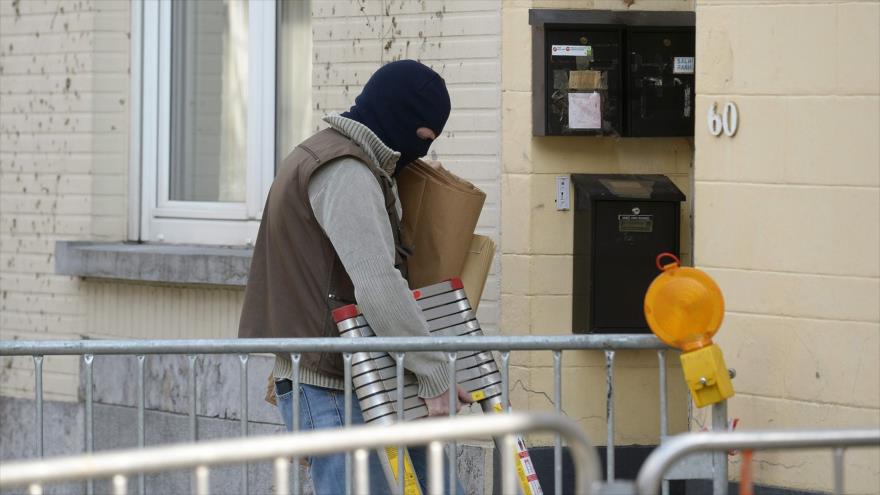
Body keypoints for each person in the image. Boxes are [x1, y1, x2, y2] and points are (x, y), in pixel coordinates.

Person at [238, 60, 472, 494]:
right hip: (331, 385)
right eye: (423, 137)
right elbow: (378, 284)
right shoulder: (345, 172)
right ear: (395, 116)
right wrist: (434, 371)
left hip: (360, 377)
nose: (422, 151)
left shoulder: (340, 158)